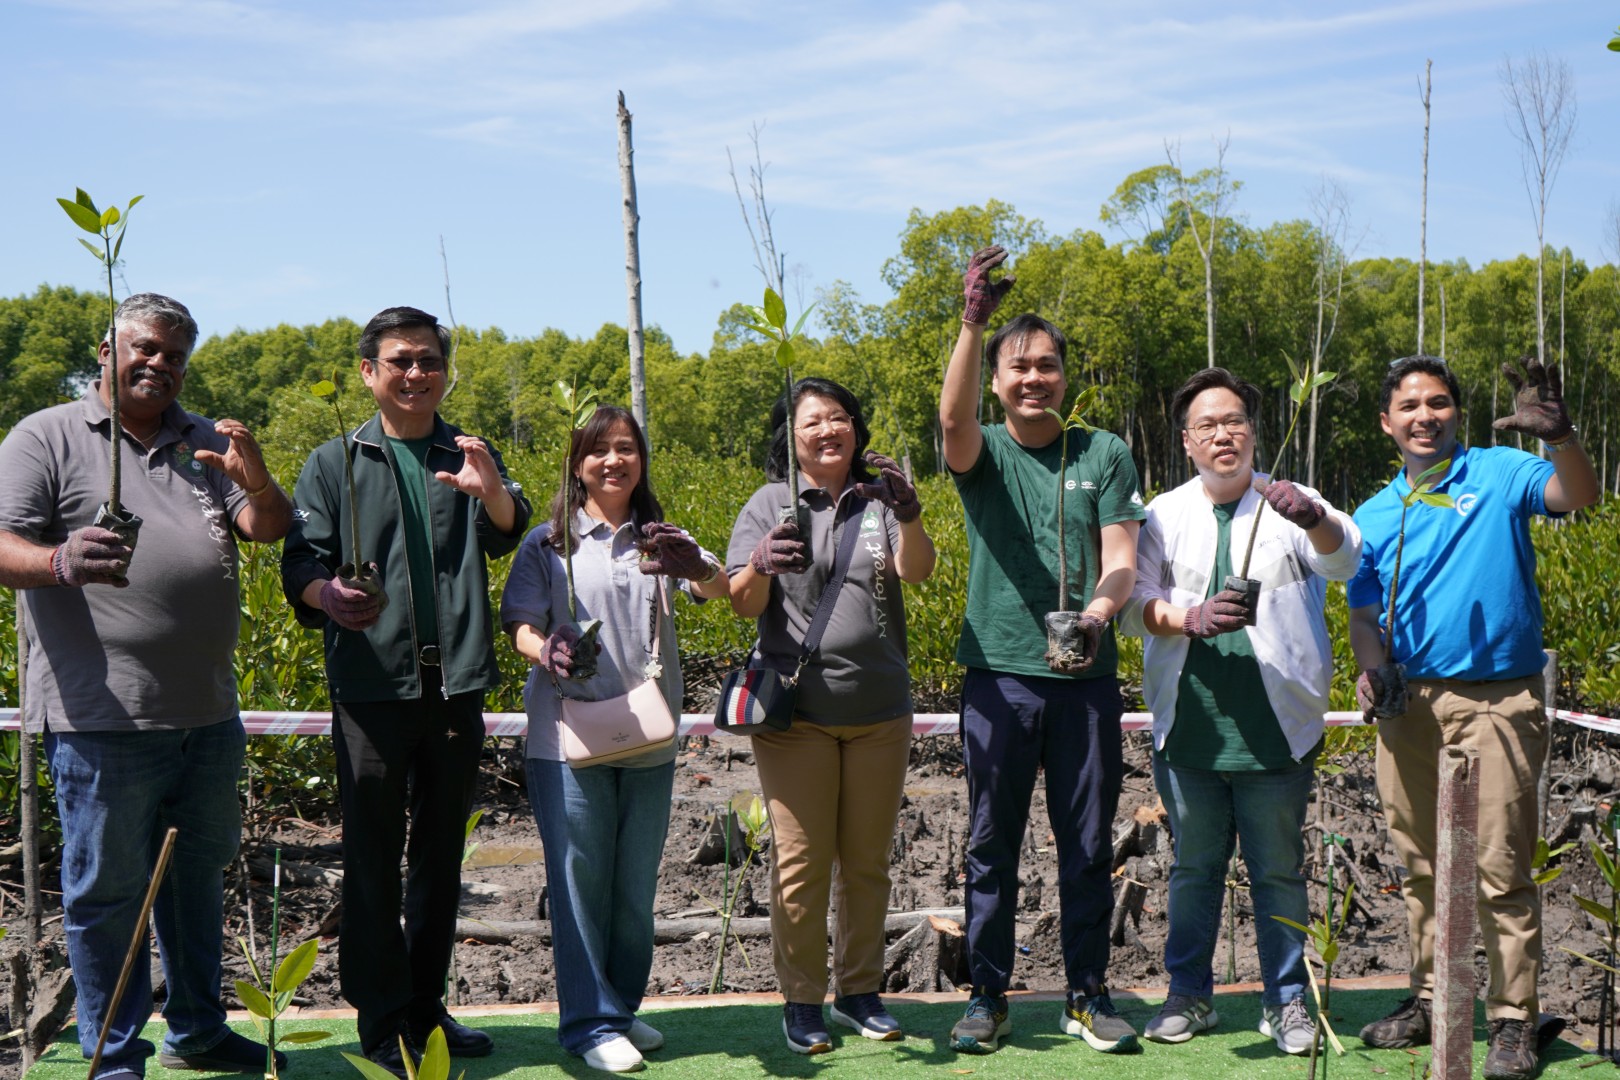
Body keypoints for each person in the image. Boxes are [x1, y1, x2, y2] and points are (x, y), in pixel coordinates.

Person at [0, 293, 293, 1079]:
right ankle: (113, 1055)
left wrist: (260, 482)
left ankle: (197, 1031)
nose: (161, 365)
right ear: (108, 349)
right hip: (102, 719)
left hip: (209, 715)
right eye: (147, 348)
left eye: (176, 356)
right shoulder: (46, 435)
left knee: (196, 881)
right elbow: (1, 545)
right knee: (107, 893)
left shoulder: (204, 440)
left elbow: (266, 527)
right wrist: (59, 560)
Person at [280, 306, 530, 1077]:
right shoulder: (335, 461)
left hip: (455, 687)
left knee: (440, 859)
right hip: (371, 688)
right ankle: (382, 1021)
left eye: (429, 360)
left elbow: (507, 527)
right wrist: (327, 595)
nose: (416, 373)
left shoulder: (468, 451)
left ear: (445, 371)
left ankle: (426, 1010)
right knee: (372, 858)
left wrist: (491, 490)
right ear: (369, 372)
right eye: (400, 361)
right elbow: (300, 560)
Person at [1348, 354, 1599, 1080]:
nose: (1424, 416)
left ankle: (1513, 1021)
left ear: (1457, 412)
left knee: (1499, 865)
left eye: (1438, 403)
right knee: (1421, 863)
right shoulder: (1372, 514)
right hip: (1408, 705)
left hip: (1497, 700)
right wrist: (1373, 667)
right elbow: (1363, 615)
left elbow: (1577, 494)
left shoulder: (1498, 472)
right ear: (1387, 423)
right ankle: (1434, 998)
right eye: (1409, 406)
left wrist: (1561, 437)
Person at [937, 248, 1145, 1054]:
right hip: (999, 679)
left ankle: (1087, 992)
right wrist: (972, 322)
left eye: (1047, 366)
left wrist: (1098, 611)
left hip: (1085, 680)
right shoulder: (984, 451)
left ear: (1065, 376)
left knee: (1087, 844)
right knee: (991, 843)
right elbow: (951, 424)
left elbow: (1121, 557)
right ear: (995, 381)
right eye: (1018, 367)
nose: (1034, 379)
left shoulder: (1102, 452)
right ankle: (987, 995)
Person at [1118, 367, 1361, 1054]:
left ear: (1254, 432)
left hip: (1276, 730)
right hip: (1190, 729)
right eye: (1207, 425)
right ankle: (1188, 996)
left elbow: (1345, 561)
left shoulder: (1293, 501)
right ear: (1187, 441)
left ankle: (1286, 1002)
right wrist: (1188, 618)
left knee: (1278, 871)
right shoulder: (1163, 513)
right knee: (1194, 870)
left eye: (1235, 421)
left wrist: (1312, 519)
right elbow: (1133, 606)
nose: (1223, 434)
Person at [500, 405, 728, 1074]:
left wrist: (695, 565)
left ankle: (619, 1010)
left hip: (648, 737)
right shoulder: (547, 543)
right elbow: (519, 625)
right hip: (566, 738)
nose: (614, 461)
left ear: (642, 461)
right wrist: (548, 650)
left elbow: (716, 587)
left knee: (632, 891)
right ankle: (588, 1024)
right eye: (599, 450)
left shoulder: (662, 539)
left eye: (626, 448)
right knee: (579, 883)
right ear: (577, 465)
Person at [725, 377, 936, 1055]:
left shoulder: (879, 500)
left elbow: (918, 571)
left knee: (868, 863)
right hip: (797, 718)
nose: (827, 430)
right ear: (790, 437)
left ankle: (859, 991)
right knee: (802, 863)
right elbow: (741, 602)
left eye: (839, 417)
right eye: (812, 421)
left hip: (881, 712)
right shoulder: (769, 503)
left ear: (856, 428)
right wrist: (759, 564)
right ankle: (802, 1000)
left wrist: (909, 512)